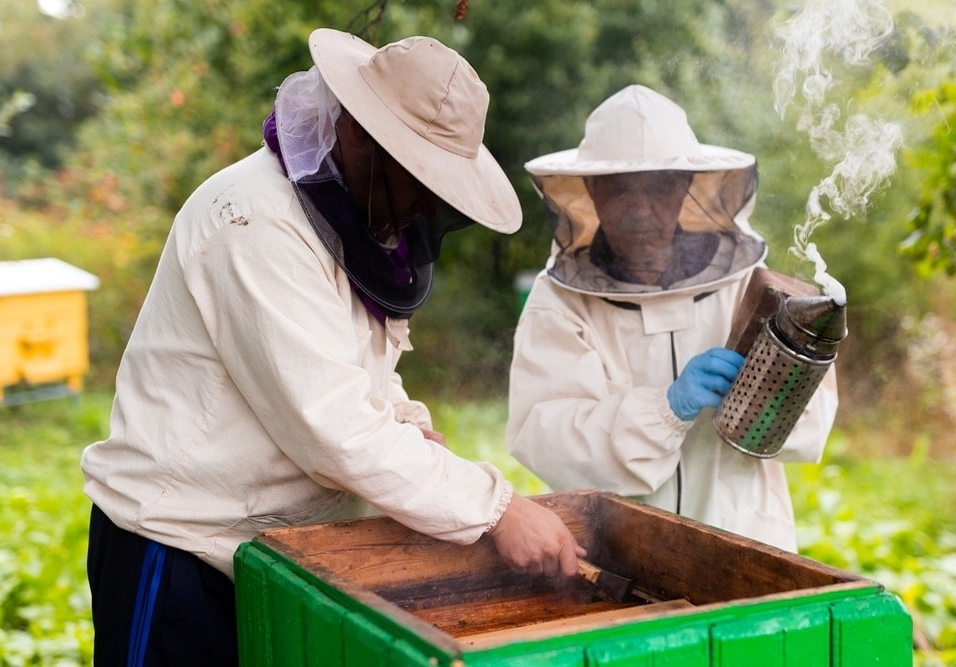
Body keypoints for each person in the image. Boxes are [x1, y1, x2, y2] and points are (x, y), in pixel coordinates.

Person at [82, 29, 584, 666]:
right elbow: (334, 427)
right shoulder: (255, 221)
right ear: (358, 135)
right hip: (179, 548)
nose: (426, 201)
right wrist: (497, 509)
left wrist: (407, 427)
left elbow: (357, 376)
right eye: (417, 176)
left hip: (273, 553)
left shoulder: (343, 218)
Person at [506, 84, 838, 554]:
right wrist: (665, 409)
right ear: (592, 191)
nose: (641, 209)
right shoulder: (559, 300)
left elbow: (811, 427)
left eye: (660, 186)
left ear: (685, 186)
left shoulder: (747, 285)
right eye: (621, 188)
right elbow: (546, 438)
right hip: (627, 554)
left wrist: (780, 381)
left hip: (749, 544)